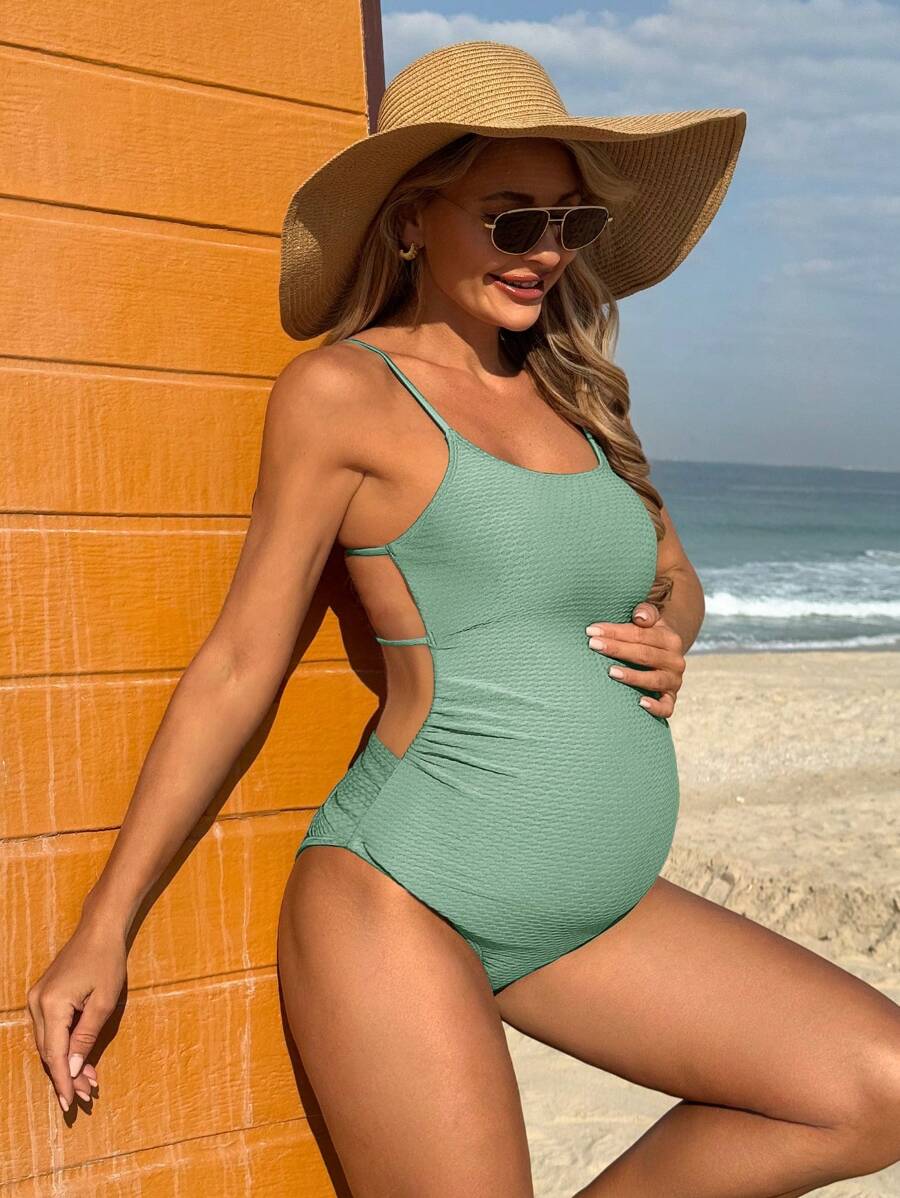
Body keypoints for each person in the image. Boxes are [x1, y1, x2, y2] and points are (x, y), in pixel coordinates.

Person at [27, 39, 900, 1198]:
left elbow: (673, 573)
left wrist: (671, 632)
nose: (546, 253)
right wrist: (106, 922)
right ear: (410, 222)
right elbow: (241, 661)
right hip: (407, 899)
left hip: (594, 909)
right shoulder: (346, 396)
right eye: (511, 220)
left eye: (568, 223)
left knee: (874, 1085)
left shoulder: (574, 399)